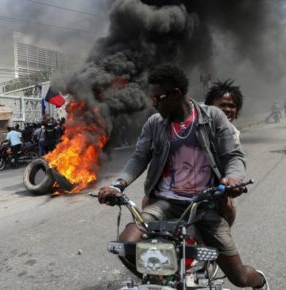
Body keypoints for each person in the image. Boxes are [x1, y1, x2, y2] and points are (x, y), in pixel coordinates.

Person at [98, 65, 269, 290]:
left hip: (204, 205)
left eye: (157, 98)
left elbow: (233, 156)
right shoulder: (155, 123)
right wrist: (118, 185)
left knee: (240, 278)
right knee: (126, 244)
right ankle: (166, 280)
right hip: (165, 203)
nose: (153, 103)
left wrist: (234, 178)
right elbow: (139, 158)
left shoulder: (213, 117)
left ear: (176, 95)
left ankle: (261, 281)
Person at [204, 79, 244, 226]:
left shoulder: (234, 134)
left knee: (228, 209)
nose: (227, 109)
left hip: (214, 189)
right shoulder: (195, 123)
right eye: (222, 105)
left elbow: (234, 159)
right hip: (182, 186)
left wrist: (233, 178)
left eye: (232, 106)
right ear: (209, 108)